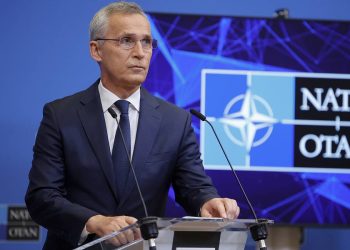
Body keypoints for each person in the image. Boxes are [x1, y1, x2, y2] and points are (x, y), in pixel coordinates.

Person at [25, 2, 240, 249]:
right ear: (96, 50)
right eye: (126, 40)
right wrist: (93, 222)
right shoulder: (61, 115)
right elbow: (42, 197)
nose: (140, 52)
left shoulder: (175, 121)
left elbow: (193, 185)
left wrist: (207, 202)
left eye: (147, 42)